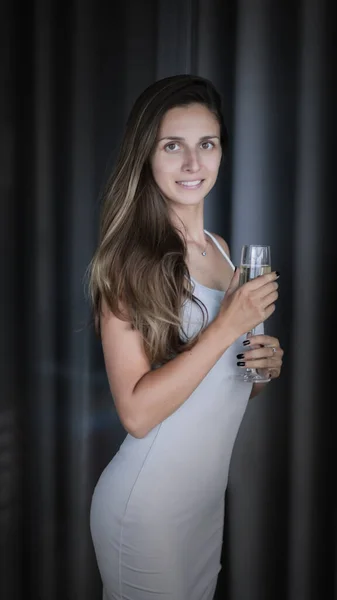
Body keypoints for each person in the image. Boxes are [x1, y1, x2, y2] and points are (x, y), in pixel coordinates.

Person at [88, 74, 283, 600]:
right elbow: (137, 413)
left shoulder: (221, 251)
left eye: (207, 145)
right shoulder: (129, 261)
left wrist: (262, 367)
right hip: (147, 509)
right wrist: (226, 327)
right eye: (173, 146)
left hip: (202, 509)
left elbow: (222, 385)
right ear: (146, 156)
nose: (193, 164)